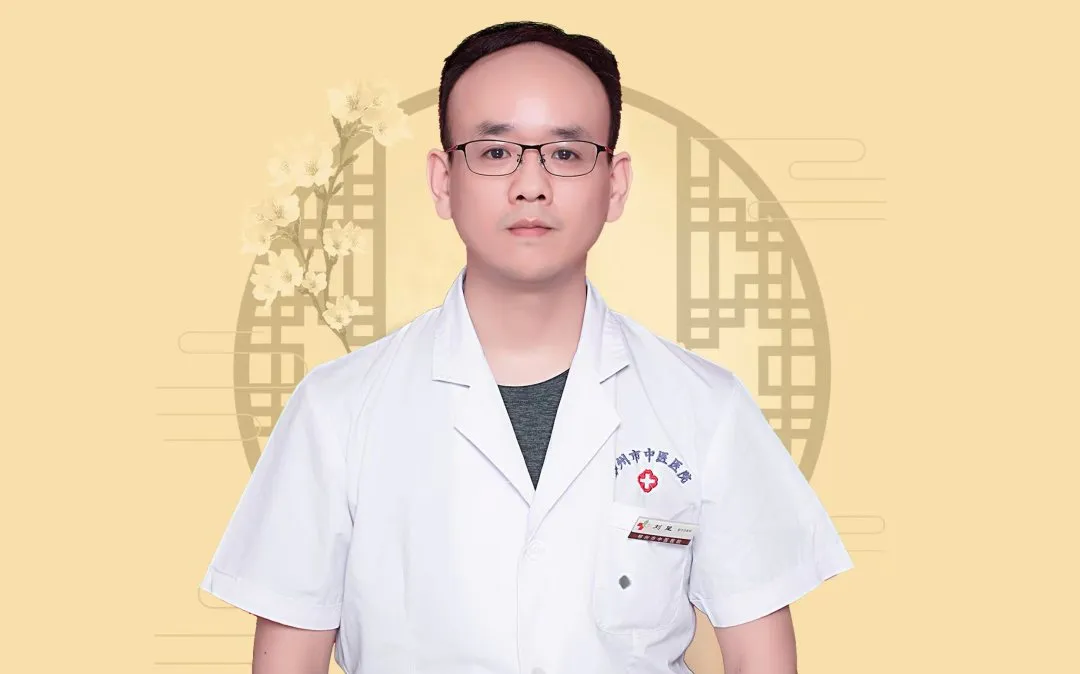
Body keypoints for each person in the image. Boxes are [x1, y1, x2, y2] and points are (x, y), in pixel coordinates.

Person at [199, 20, 853, 674]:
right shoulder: (334, 410)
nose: (531, 185)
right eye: (494, 152)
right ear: (443, 181)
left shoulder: (707, 407)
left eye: (566, 154)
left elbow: (762, 659)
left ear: (615, 184)